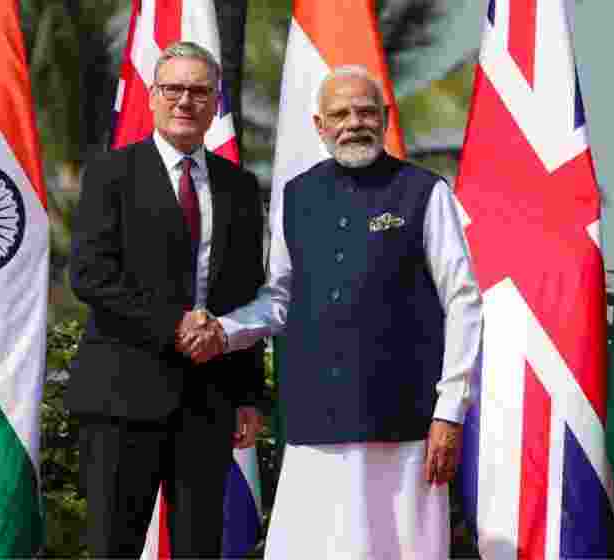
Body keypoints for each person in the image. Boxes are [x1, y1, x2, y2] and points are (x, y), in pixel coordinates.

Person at [179, 65, 483, 558]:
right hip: (313, 424)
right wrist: (224, 331)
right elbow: (278, 300)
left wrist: (450, 411)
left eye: (366, 111)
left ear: (384, 119)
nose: (353, 122)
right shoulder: (294, 197)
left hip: (403, 428)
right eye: (340, 113)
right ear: (319, 126)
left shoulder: (425, 192)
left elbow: (464, 302)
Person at [67, 41, 267, 558]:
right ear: (153, 97)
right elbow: (90, 275)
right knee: (114, 547)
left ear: (214, 101)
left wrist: (247, 392)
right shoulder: (111, 174)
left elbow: (246, 291)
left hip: (208, 400)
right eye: (173, 89)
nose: (185, 101)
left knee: (201, 548)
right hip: (121, 397)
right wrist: (174, 325)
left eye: (198, 91)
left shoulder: (240, 187)